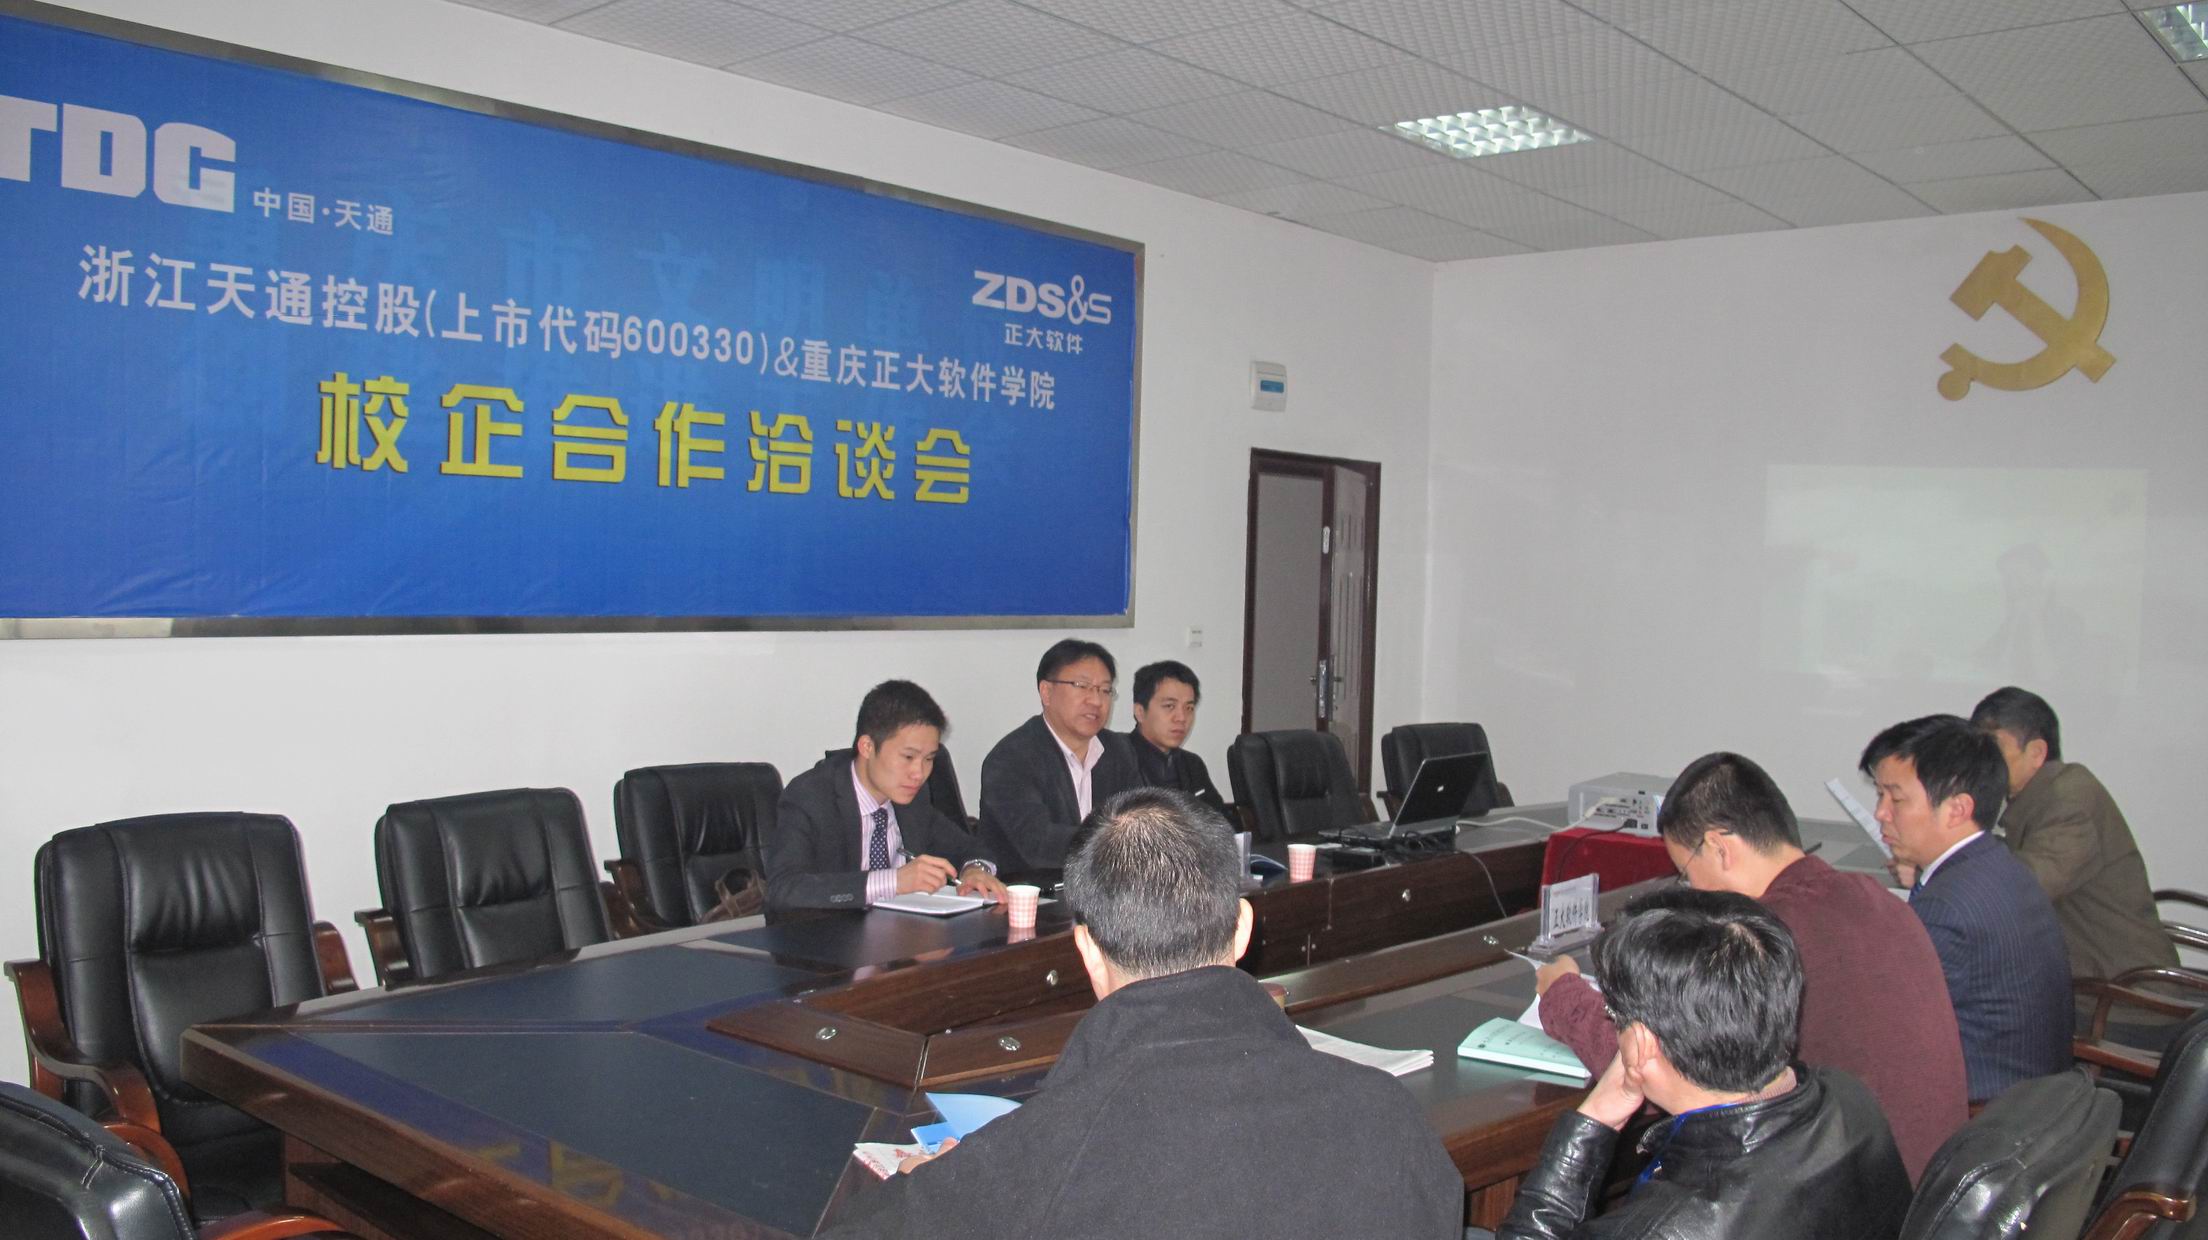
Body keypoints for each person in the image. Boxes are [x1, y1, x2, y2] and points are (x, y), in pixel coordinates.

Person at [826, 787, 1465, 1239]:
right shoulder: (1385, 1113)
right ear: (1243, 929)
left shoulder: (1036, 1153)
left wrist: (929, 1186)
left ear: (1087, 952)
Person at [1535, 752, 1965, 1182]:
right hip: (1929, 1186)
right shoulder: (1874, 896)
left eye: (1686, 873)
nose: (1691, 890)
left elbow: (1654, 1066)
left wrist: (1563, 994)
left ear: (1719, 848)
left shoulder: (1764, 942)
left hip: (1852, 1199)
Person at [1502, 888, 1910, 1240]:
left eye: (1613, 1014)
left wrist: (1592, 1119)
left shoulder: (1661, 1230)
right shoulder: (1852, 1100)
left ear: (1640, 1046)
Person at [1860, 715, 2072, 1102]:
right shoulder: (1997, 865)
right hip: (2035, 1096)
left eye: (1896, 798)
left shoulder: (1948, 906)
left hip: (1982, 1109)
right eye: (1879, 795)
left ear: (1957, 809)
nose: (1880, 813)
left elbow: (1890, 1027)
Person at [1969, 686, 2176, 983]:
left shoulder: (2069, 803)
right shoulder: (2043, 794)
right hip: (2087, 978)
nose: (1981, 763)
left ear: (2036, 753)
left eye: (1992, 749)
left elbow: (2021, 890)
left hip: (2121, 992)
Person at [766, 680, 1006, 912]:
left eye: (929, 759)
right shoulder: (811, 796)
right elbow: (783, 888)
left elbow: (971, 847)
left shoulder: (914, 798)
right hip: (827, 933)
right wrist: (893, 881)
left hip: (901, 932)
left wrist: (976, 869)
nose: (919, 773)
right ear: (867, 747)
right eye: (908, 757)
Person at [976, 639, 1143, 870]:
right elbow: (1038, 844)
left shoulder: (1118, 751)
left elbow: (1140, 821)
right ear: (1046, 692)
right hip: (1031, 888)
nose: (1096, 701)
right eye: (1082, 686)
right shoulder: (1011, 758)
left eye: (1105, 690)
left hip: (1105, 887)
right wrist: (1116, 842)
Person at [1124, 659, 1228, 817]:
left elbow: (1220, 821)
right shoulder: (1118, 760)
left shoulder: (1192, 764)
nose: (1181, 718)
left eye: (1189, 708)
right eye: (1169, 706)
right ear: (1140, 712)